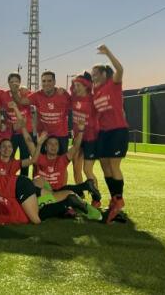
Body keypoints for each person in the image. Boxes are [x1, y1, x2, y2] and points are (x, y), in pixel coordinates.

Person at [0, 117, 88, 225]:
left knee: (36, 219)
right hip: (14, 196)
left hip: (18, 186)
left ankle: (69, 201)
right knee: (47, 200)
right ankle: (74, 195)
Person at [91, 44, 129, 224]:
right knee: (104, 165)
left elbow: (120, 69)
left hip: (117, 131)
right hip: (104, 133)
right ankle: (114, 199)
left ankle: (119, 199)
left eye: (96, 74)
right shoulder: (95, 92)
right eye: (92, 76)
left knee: (114, 165)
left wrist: (108, 54)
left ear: (104, 75)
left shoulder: (113, 84)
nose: (94, 78)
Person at [12, 71, 71, 155]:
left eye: (49, 81)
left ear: (54, 82)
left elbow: (74, 103)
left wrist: (66, 92)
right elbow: (21, 101)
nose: (46, 83)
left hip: (61, 135)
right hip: (43, 135)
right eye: (43, 81)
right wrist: (15, 90)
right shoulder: (37, 95)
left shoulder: (62, 95)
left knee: (61, 164)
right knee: (39, 164)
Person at [70, 72, 102, 208]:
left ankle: (96, 198)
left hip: (91, 139)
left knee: (87, 170)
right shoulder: (73, 98)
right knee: (76, 169)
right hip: (78, 138)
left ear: (86, 86)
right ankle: (80, 197)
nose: (75, 87)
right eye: (75, 85)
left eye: (78, 85)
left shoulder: (94, 100)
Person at [1, 73, 34, 177]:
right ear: (8, 83)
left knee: (25, 159)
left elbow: (32, 105)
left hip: (26, 132)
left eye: (16, 82)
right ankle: (8, 180)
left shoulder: (26, 93)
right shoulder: (4, 96)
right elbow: (1, 112)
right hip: (12, 133)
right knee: (9, 157)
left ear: (20, 83)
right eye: (12, 82)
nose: (14, 84)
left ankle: (24, 182)